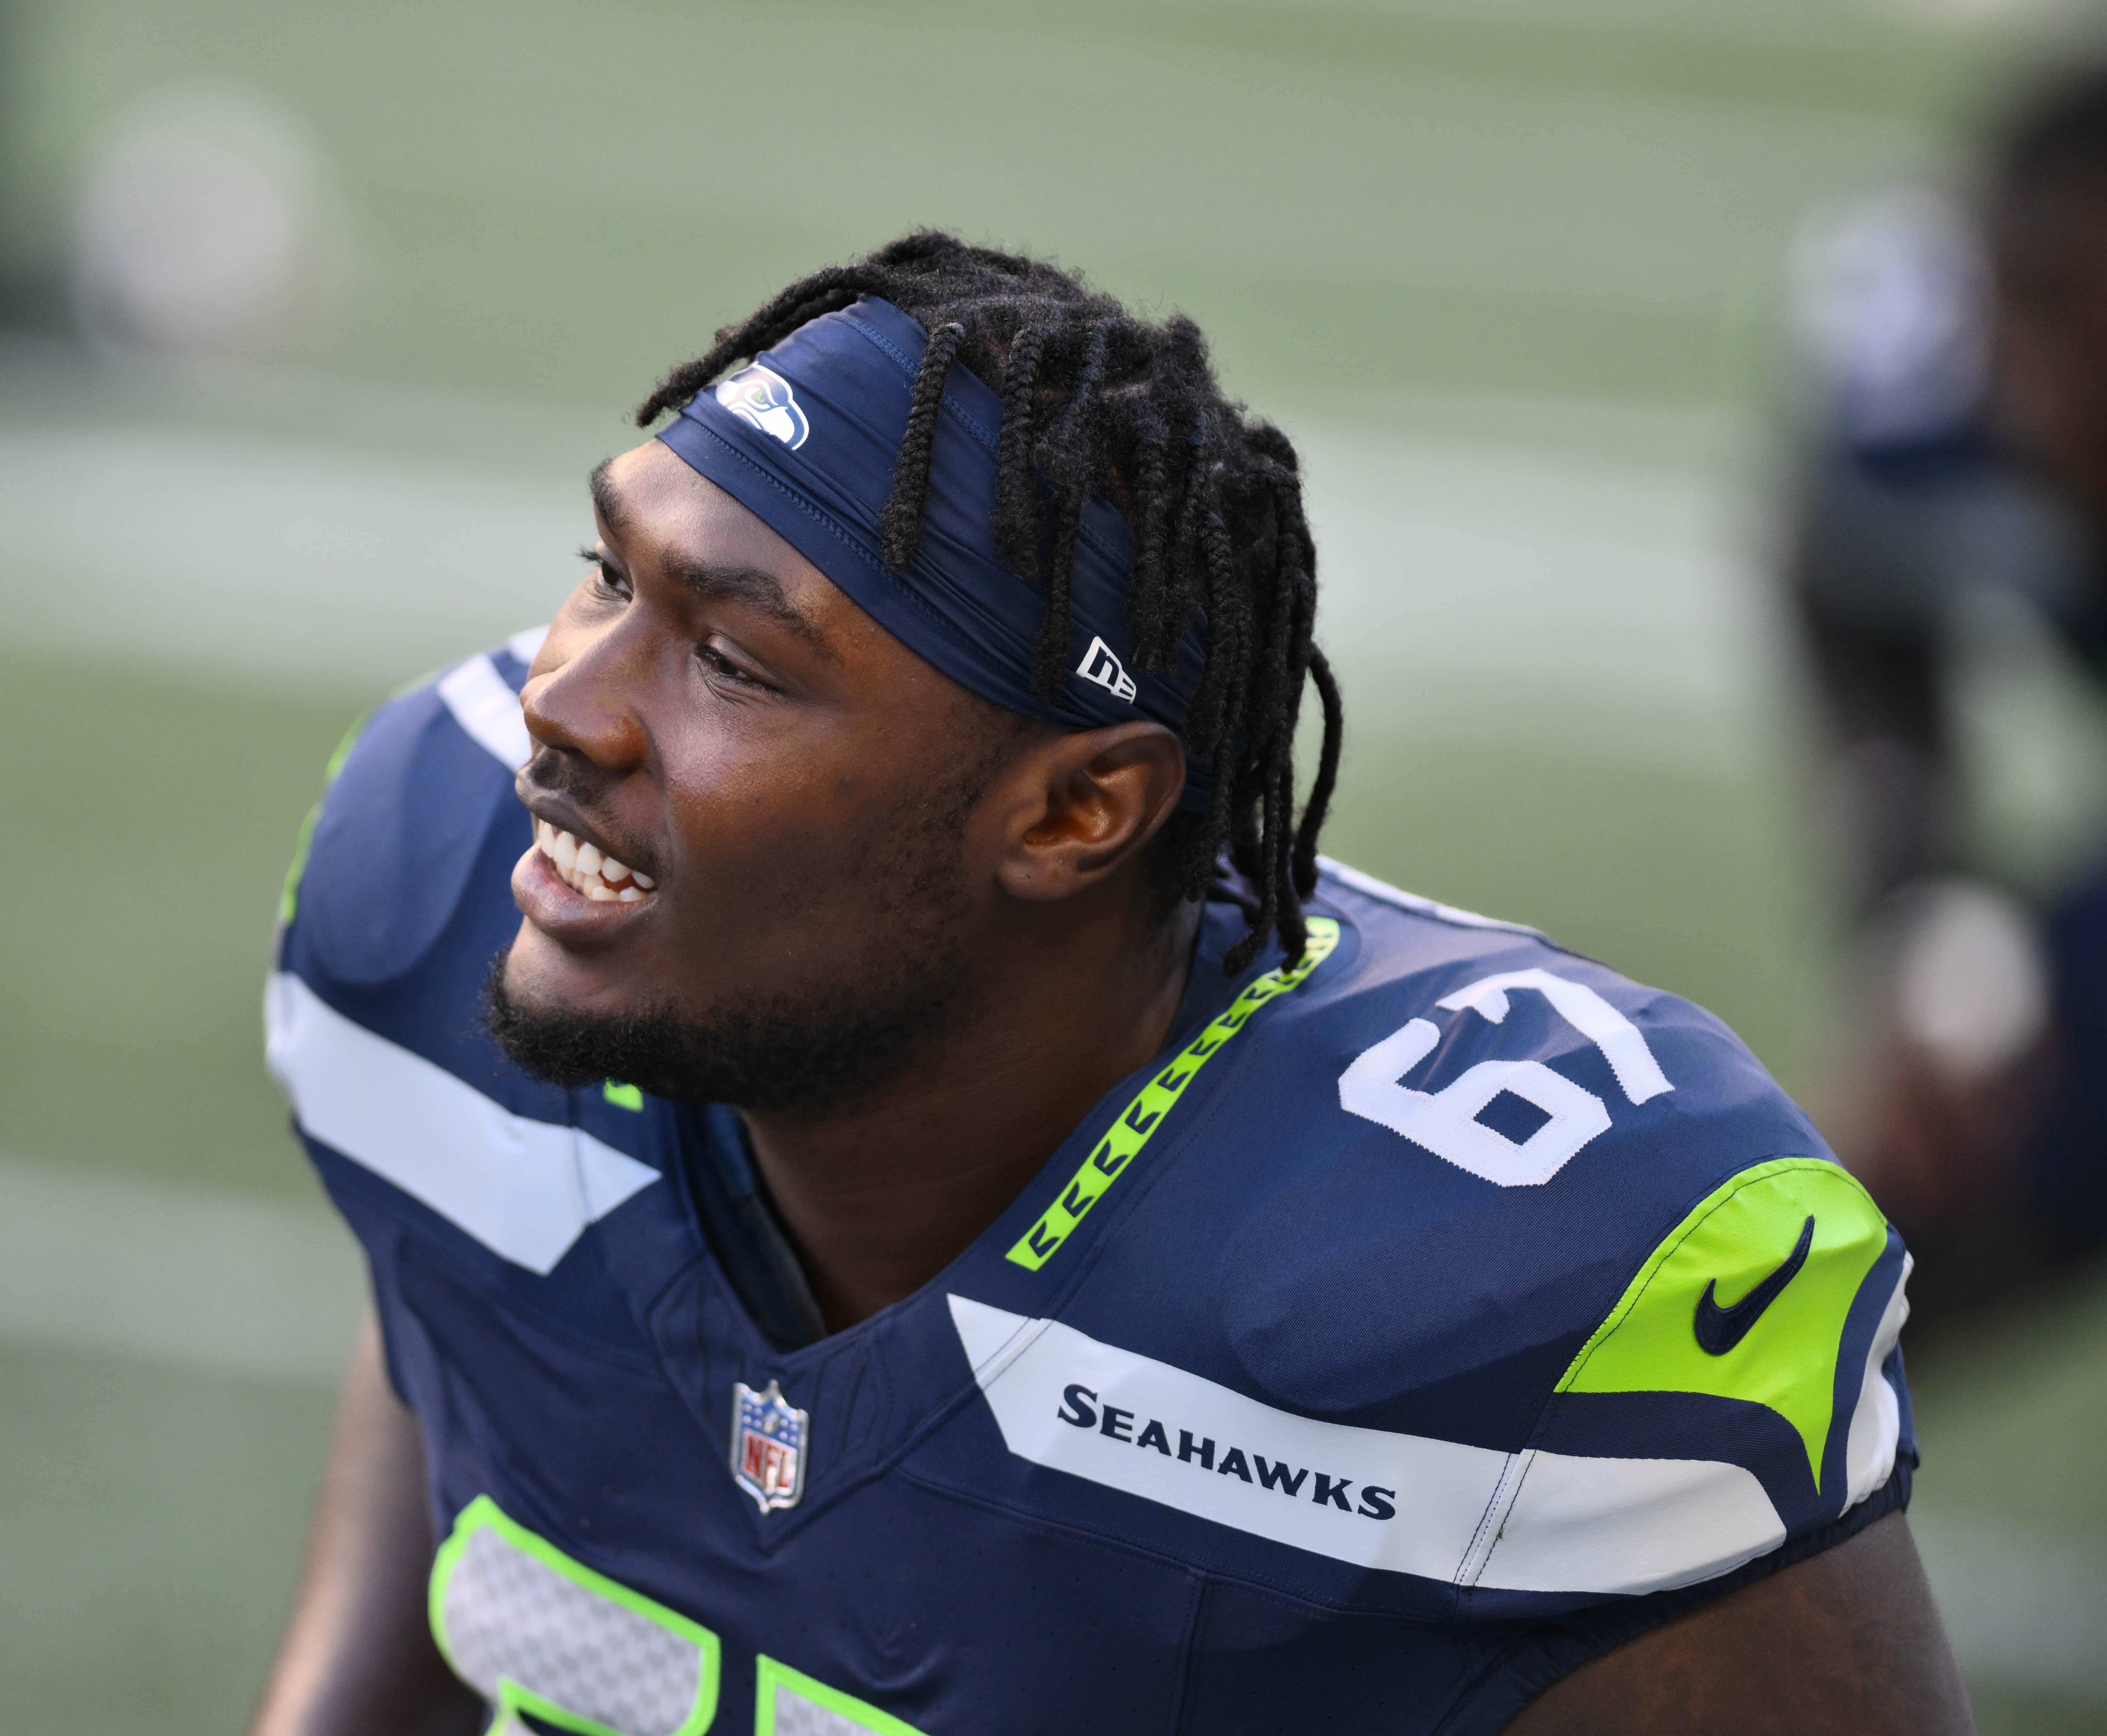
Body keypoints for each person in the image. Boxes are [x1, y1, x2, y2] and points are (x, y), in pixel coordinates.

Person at [253, 234, 1969, 1735]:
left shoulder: (1510, 1282)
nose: (564, 706)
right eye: (610, 573)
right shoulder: (436, 887)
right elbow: (473, 1339)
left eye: (732, 659)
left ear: (1077, 811)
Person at [1784, 61, 2107, 1312]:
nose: (2049, 392)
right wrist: (1922, 913)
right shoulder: (1924, 404)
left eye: (2090, 332)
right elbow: (1845, 591)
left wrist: (2029, 965)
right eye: (2026, 315)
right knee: (1872, 1254)